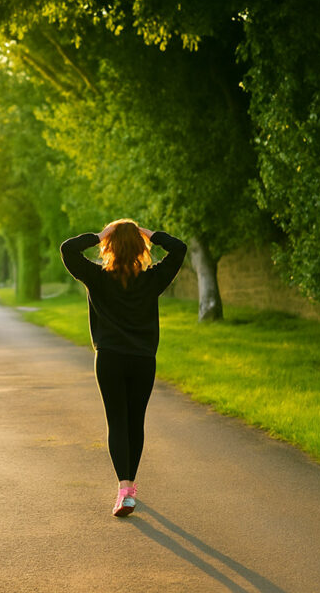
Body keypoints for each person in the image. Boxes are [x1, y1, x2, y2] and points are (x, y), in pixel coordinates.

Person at [60, 219, 187, 517]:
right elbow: (179, 249)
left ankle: (124, 489)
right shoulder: (151, 279)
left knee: (117, 422)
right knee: (135, 422)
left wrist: (98, 234)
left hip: (109, 359)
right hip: (143, 359)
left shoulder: (97, 276)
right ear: (141, 248)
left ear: (109, 246)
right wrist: (150, 234)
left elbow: (67, 249)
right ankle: (130, 490)